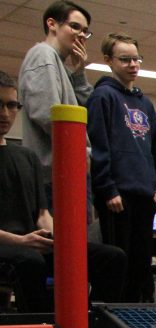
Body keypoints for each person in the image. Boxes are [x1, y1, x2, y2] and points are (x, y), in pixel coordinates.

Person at [0, 70, 125, 313]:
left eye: (12, 105)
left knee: (113, 258)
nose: (5, 114)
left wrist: (64, 241)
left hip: (31, 245)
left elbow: (43, 215)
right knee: (31, 262)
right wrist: (22, 241)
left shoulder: (27, 157)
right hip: (13, 247)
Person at [86, 33, 156, 304]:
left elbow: (154, 151)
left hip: (145, 195)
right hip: (117, 198)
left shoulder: (145, 103)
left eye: (136, 59)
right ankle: (114, 325)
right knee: (121, 263)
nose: (133, 64)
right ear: (108, 60)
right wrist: (107, 189)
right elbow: (99, 147)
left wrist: (155, 188)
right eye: (125, 59)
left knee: (142, 265)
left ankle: (136, 323)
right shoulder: (102, 97)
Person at [19, 0, 93, 203]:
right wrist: (84, 153)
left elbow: (86, 113)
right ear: (52, 24)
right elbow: (50, 117)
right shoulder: (43, 56)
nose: (80, 35)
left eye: (85, 31)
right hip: (55, 177)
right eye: (75, 26)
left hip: (67, 174)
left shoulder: (59, 65)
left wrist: (79, 74)